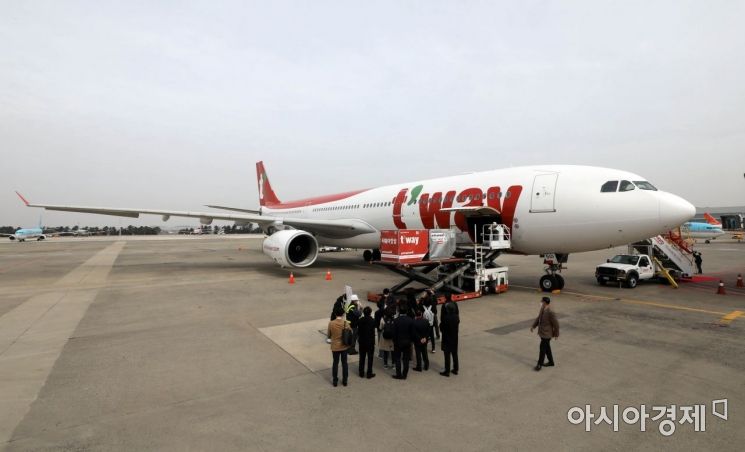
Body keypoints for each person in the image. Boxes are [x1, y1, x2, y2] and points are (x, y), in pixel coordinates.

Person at [530, 296, 560, 371]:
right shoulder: (542, 308)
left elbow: (556, 324)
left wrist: (556, 334)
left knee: (542, 348)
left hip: (547, 334)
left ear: (544, 302)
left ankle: (539, 364)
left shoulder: (550, 312)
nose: (540, 302)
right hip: (542, 332)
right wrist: (533, 326)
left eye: (541, 301)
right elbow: (539, 318)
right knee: (547, 348)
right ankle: (551, 362)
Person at [327, 306, 351, 386]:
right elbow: (350, 332)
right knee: (344, 363)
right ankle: (345, 380)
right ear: (343, 314)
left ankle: (335, 381)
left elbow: (328, 335)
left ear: (335, 313)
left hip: (335, 347)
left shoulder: (331, 323)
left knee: (335, 363)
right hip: (344, 346)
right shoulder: (345, 323)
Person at [392, 305, 415, 380]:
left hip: (398, 342)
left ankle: (398, 374)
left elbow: (394, 333)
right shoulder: (410, 320)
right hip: (407, 342)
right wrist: (411, 340)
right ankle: (404, 374)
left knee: (397, 358)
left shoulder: (396, 320)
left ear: (399, 311)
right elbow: (412, 333)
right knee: (406, 359)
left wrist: (394, 341)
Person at [439, 301, 460, 377]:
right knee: (455, 354)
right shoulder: (456, 317)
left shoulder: (445, 318)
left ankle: (447, 371)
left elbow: (441, 328)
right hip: (454, 338)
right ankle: (455, 369)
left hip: (447, 338)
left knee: (447, 355)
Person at [357, 306, 376, 379]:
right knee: (370, 358)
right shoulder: (372, 320)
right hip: (370, 341)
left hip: (362, 341)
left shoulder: (360, 320)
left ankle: (361, 372)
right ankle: (369, 373)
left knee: (362, 357)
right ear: (370, 313)